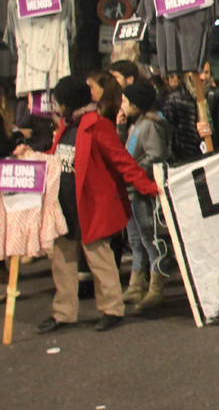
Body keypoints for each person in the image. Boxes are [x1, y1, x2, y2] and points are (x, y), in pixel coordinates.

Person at [31, 75, 159, 334]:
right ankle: (64, 313)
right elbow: (57, 159)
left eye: (60, 102)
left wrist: (150, 188)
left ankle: (112, 309)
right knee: (62, 262)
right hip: (65, 206)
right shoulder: (67, 127)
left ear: (69, 103)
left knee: (100, 260)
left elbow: (123, 162)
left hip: (90, 206)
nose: (57, 107)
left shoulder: (97, 126)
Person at [118, 80, 173, 311]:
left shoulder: (149, 125)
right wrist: (121, 129)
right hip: (131, 190)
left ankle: (156, 288)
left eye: (125, 102)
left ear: (137, 104)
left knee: (150, 239)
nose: (122, 105)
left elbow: (156, 155)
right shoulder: (136, 124)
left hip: (142, 190)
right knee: (135, 240)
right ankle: (136, 285)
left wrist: (136, 171)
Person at [161, 62, 211, 162]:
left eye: (207, 72)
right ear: (189, 73)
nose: (203, 77)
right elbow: (167, 133)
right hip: (184, 158)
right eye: (200, 73)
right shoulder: (175, 99)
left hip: (208, 156)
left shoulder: (213, 95)